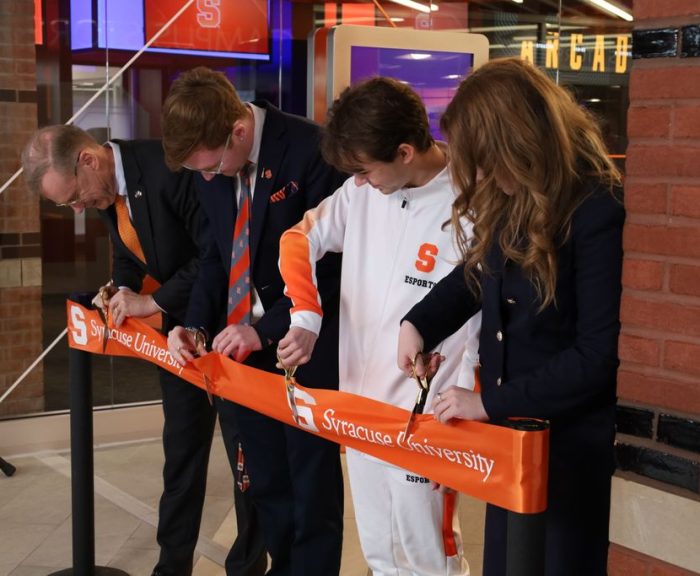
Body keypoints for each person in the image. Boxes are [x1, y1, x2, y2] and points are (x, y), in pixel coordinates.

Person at [397, 57, 625, 576]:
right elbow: (477, 275)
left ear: (518, 141)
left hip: (569, 450)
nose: (477, 176)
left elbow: (597, 355)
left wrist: (486, 402)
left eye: (483, 160)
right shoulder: (512, 196)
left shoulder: (596, 210)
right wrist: (417, 324)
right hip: (513, 444)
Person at [21, 125, 266, 576]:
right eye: (66, 205)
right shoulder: (105, 192)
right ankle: (171, 567)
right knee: (181, 458)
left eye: (73, 197)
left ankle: (247, 566)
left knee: (244, 459)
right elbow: (130, 253)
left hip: (230, 328)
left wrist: (152, 301)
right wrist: (124, 287)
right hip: (177, 339)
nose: (77, 208)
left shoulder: (167, 166)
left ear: (88, 160)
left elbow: (216, 254)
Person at [276, 77, 481, 576]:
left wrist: (470, 393)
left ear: (406, 151)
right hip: (359, 408)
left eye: (367, 170)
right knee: (380, 551)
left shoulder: (473, 202)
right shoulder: (357, 195)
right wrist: (307, 315)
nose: (360, 181)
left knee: (430, 552)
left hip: (427, 414)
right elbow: (296, 240)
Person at [161, 66, 345, 576]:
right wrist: (196, 326)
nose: (207, 179)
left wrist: (264, 329)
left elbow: (331, 270)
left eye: (212, 166)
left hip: (303, 348)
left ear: (239, 131)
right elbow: (217, 256)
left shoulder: (312, 150)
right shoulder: (211, 168)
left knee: (310, 490)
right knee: (267, 486)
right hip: (243, 357)